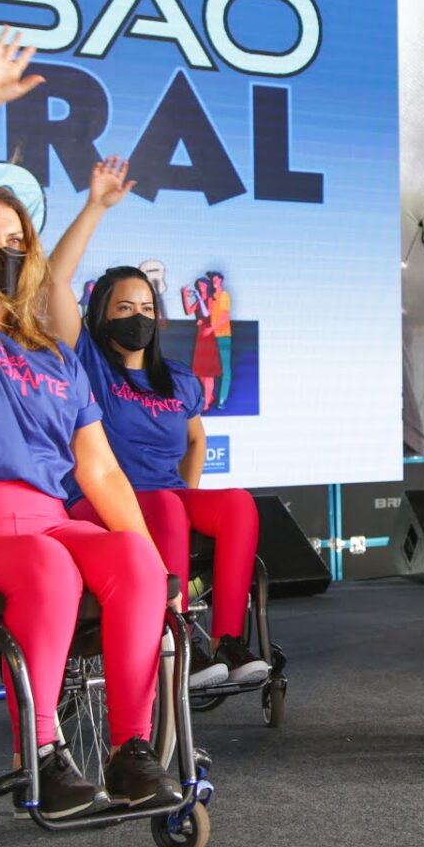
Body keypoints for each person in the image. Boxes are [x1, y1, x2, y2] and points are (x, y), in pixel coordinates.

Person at [0, 30, 172, 818]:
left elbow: (101, 473)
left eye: (19, 242)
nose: (8, 252)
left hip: (45, 524)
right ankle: (42, 751)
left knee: (141, 565)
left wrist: (152, 561)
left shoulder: (53, 357)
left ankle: (130, 749)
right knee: (48, 567)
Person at [46, 160, 269, 690]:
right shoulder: (86, 363)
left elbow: (195, 439)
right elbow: (54, 280)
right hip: (99, 503)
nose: (137, 316)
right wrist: (95, 206)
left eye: (146, 306)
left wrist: (188, 493)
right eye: (124, 307)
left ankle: (227, 643)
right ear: (102, 314)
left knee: (236, 503)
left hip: (165, 497)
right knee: (168, 508)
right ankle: (176, 637)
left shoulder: (176, 378)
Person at [185, 277, 221, 410]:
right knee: (200, 372)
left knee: (208, 373)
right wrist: (184, 294)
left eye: (203, 285)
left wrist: (200, 298)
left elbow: (206, 314)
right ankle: (210, 396)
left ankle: (206, 403)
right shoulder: (200, 300)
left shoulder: (210, 299)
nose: (201, 287)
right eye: (199, 285)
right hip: (201, 335)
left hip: (208, 336)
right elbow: (189, 311)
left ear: (207, 286)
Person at [209, 271, 233, 409]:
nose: (214, 281)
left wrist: (211, 329)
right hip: (212, 338)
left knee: (225, 368)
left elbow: (224, 317)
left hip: (223, 336)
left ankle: (222, 399)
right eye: (213, 279)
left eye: (216, 279)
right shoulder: (213, 298)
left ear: (221, 281)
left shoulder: (224, 295)